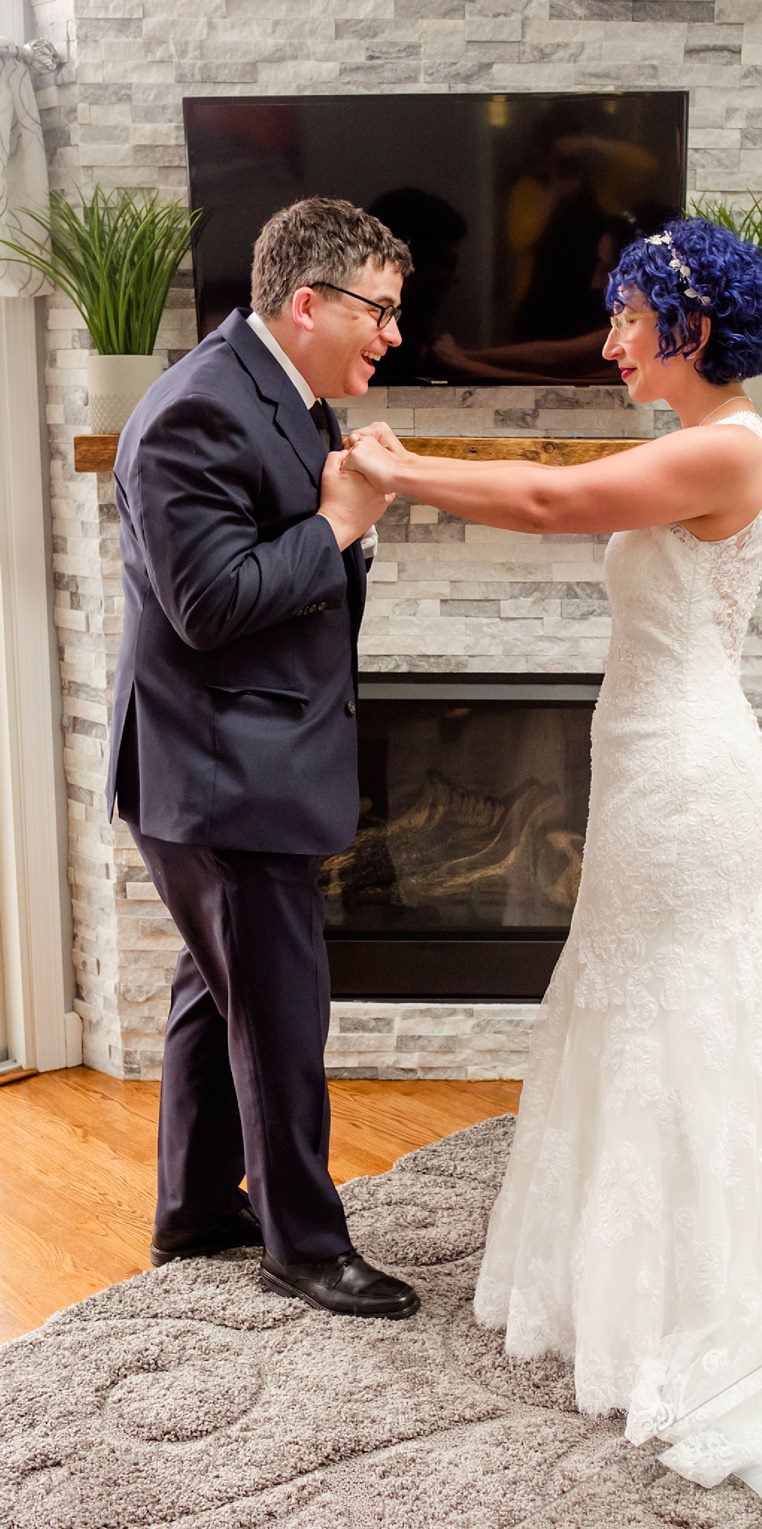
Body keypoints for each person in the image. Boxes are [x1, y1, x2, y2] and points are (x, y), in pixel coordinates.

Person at [340, 217, 762, 1512]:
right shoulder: (692, 443)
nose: (610, 341)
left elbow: (547, 502)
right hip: (652, 770)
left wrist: (401, 466)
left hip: (687, 781)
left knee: (679, 1010)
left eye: (628, 319)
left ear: (688, 329)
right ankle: (633, 1276)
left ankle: (706, 1293)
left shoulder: (729, 447)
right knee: (634, 1002)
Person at [110, 197, 418, 1318]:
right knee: (281, 1007)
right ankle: (302, 1241)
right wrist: (338, 526)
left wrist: (353, 517)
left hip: (230, 760)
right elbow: (209, 602)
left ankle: (195, 1208)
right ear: (308, 302)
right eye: (380, 312)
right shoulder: (198, 411)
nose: (392, 335)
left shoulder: (278, 394)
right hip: (217, 773)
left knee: (214, 989)